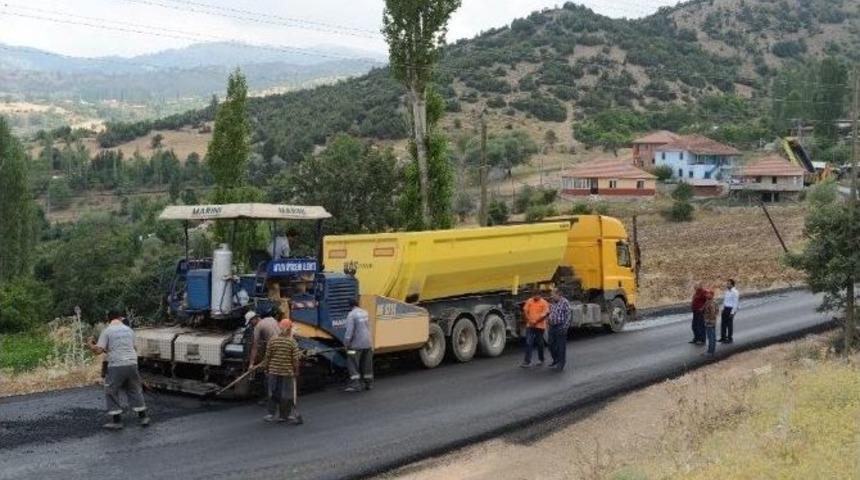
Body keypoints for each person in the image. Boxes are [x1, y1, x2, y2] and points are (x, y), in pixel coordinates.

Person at [86, 311, 150, 430]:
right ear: (120, 318)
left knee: (111, 390)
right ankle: (143, 417)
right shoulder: (129, 330)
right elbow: (133, 347)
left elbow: (98, 351)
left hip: (116, 364)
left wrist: (90, 344)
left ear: (108, 319)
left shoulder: (107, 331)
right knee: (134, 389)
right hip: (132, 363)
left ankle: (117, 421)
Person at [261, 318, 301, 423]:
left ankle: (271, 414)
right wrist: (296, 371)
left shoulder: (272, 340)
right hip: (287, 372)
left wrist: (266, 368)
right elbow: (295, 360)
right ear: (289, 329)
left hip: (273, 371)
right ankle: (283, 416)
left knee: (273, 392)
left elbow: (267, 357)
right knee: (286, 394)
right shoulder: (292, 342)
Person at [344, 298, 373, 392]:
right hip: (367, 344)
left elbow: (349, 332)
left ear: (349, 306)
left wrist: (346, 344)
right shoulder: (365, 312)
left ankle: (355, 385)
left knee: (352, 362)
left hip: (355, 346)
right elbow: (368, 327)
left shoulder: (351, 315)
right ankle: (368, 383)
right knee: (367, 363)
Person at [520, 292, 549, 368]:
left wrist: (535, 322)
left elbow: (545, 315)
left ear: (540, 295)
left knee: (540, 343)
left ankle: (541, 359)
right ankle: (527, 361)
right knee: (529, 342)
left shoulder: (544, 303)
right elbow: (525, 311)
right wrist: (529, 320)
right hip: (530, 325)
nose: (535, 297)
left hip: (540, 326)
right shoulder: (529, 301)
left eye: (537, 295)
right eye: (534, 295)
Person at [547, 287, 571, 372]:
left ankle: (561, 364)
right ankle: (555, 359)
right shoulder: (552, 302)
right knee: (550, 344)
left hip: (560, 326)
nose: (551, 296)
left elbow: (568, 316)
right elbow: (550, 313)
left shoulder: (565, 302)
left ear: (558, 294)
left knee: (561, 347)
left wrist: (564, 327)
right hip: (552, 326)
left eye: (553, 294)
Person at [719, 279, 739, 344]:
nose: (727, 285)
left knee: (729, 324)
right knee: (723, 324)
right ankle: (723, 337)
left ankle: (730, 338)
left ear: (732, 285)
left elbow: (735, 303)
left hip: (730, 309)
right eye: (727, 283)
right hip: (725, 308)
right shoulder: (727, 291)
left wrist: (732, 312)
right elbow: (725, 300)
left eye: (728, 284)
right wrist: (722, 308)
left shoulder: (735, 292)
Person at [703, 290, 719, 355]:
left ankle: (710, 351)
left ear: (712, 295)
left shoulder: (711, 303)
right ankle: (712, 350)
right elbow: (717, 311)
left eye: (708, 294)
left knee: (711, 337)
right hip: (712, 321)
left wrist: (709, 321)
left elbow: (712, 313)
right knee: (713, 336)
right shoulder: (711, 302)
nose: (707, 295)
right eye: (707, 294)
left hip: (710, 322)